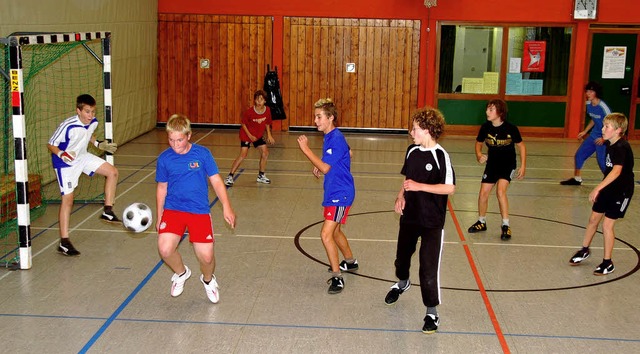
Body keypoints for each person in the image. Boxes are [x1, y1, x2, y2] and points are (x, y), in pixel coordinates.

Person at [384, 107, 455, 334]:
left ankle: (431, 313)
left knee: (428, 267)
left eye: (414, 128)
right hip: (410, 217)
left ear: (426, 130)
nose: (411, 132)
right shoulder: (412, 151)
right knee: (401, 259)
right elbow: (408, 178)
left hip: (432, 221)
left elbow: (450, 188)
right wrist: (400, 195)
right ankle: (403, 283)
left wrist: (420, 187)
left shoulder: (441, 156)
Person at [156, 114, 236, 303]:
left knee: (207, 258)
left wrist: (227, 207)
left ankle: (208, 280)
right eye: (171, 140)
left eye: (179, 140)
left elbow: (216, 181)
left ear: (189, 135)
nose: (175, 145)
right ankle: (181, 273)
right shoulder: (165, 158)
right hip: (173, 209)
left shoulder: (202, 154)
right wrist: (160, 214)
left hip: (198, 211)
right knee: (165, 249)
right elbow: (162, 187)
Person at [296, 98, 358, 294]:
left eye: (319, 116)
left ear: (330, 118)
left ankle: (337, 277)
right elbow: (349, 152)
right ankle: (350, 262)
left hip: (340, 193)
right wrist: (322, 161)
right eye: (315, 116)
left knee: (326, 234)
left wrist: (306, 150)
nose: (315, 120)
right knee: (336, 232)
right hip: (335, 191)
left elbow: (325, 167)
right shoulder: (331, 136)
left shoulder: (335, 137)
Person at [47, 94, 120, 256]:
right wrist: (61, 154)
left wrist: (98, 144)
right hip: (65, 163)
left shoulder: (93, 122)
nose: (91, 116)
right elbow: (51, 144)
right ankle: (64, 242)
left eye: (93, 112)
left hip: (82, 156)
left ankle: (108, 210)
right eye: (87, 112)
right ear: (78, 111)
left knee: (112, 172)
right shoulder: (68, 125)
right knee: (68, 200)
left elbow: (88, 135)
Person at [569, 113, 634, 275]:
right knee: (593, 219)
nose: (603, 129)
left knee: (607, 225)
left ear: (618, 130)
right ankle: (584, 249)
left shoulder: (621, 147)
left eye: (606, 126)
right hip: (609, 186)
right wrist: (603, 188)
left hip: (622, 190)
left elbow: (617, 171)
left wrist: (598, 188)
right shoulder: (609, 144)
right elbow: (609, 171)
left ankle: (607, 262)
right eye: (603, 125)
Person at [467, 99, 526, 240]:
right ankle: (481, 222)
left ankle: (506, 225)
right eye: (487, 109)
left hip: (508, 165)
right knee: (483, 193)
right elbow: (478, 143)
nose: (487, 112)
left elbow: (521, 146)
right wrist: (479, 154)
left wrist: (523, 165)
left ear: (500, 112)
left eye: (491, 109)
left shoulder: (511, 128)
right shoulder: (485, 127)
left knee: (500, 191)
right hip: (492, 164)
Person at [561, 81, 612, 185]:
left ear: (596, 93)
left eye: (591, 91)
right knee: (579, 155)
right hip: (593, 135)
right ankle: (577, 179)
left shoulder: (603, 107)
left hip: (604, 137)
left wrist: (604, 139)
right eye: (587, 91)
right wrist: (585, 131)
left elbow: (612, 125)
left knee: (602, 162)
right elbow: (594, 119)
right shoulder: (588, 104)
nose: (588, 93)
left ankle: (610, 182)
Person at [224, 90, 275, 186]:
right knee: (243, 155)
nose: (259, 101)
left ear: (265, 101)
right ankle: (230, 176)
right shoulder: (250, 112)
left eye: (261, 99)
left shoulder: (267, 110)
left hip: (258, 135)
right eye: (257, 99)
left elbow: (268, 123)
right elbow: (243, 124)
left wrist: (269, 135)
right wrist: (250, 136)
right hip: (246, 134)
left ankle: (261, 175)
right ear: (254, 101)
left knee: (265, 153)